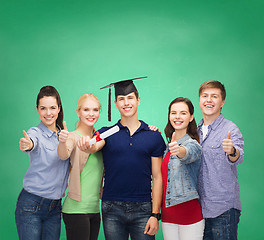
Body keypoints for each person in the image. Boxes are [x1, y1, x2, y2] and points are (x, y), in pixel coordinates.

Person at [78, 77, 166, 240]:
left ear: (138, 100)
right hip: (112, 208)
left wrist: (155, 214)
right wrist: (87, 146)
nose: (126, 103)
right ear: (116, 103)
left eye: (130, 98)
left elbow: (158, 177)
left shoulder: (153, 136)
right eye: (121, 99)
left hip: (144, 209)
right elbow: (94, 145)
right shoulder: (106, 132)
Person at [15, 86, 70, 240]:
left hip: (55, 208)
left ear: (59, 108)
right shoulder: (35, 132)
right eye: (43, 108)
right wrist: (28, 144)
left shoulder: (63, 135)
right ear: (38, 110)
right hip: (31, 205)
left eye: (52, 108)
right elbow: (32, 142)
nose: (48, 113)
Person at [197, 80, 244, 240]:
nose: (209, 100)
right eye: (205, 96)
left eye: (214, 96)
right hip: (198, 210)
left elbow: (238, 155)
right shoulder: (194, 131)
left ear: (222, 102)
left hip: (223, 209)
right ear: (199, 100)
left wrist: (232, 151)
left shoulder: (230, 129)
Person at [57, 93, 104, 240]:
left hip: (95, 209)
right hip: (76, 210)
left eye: (95, 110)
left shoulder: (100, 138)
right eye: (86, 110)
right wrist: (63, 142)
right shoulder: (71, 137)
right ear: (78, 112)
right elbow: (63, 154)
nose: (91, 114)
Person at [161, 97, 204, 240]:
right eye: (173, 113)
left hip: (189, 215)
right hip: (168, 216)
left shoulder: (193, 144)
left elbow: (187, 153)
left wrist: (178, 150)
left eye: (183, 113)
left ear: (191, 117)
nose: (177, 117)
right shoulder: (166, 149)